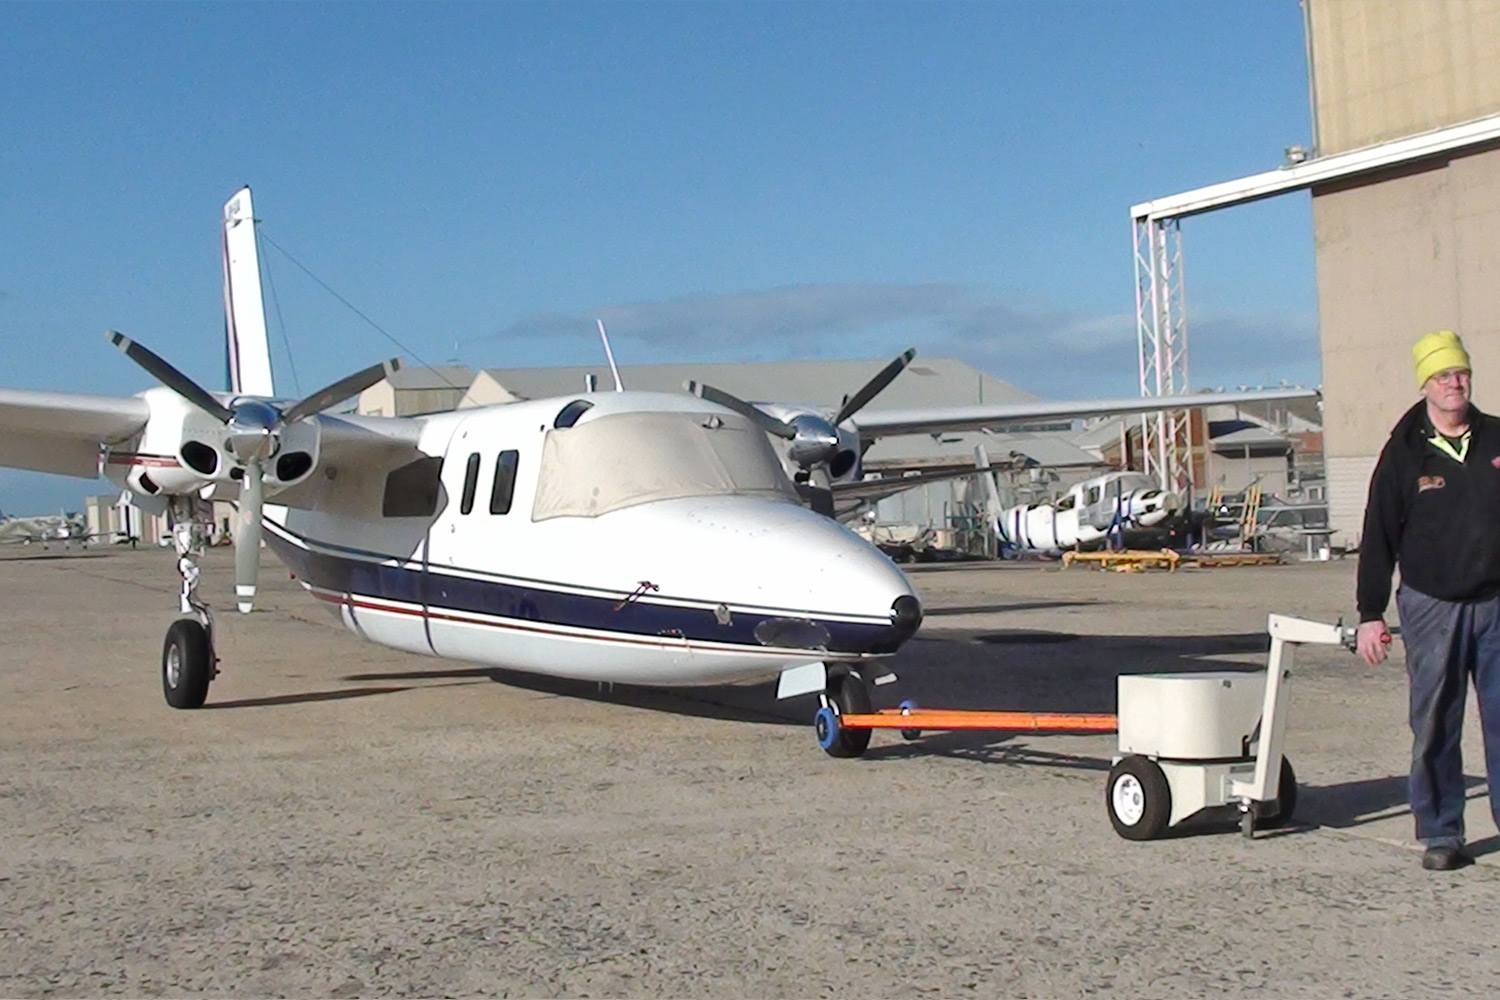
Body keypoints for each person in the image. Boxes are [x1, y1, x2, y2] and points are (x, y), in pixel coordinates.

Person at [1356, 329, 1500, 871]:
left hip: (1496, 604)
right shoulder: (1404, 455)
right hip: (1431, 606)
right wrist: (1371, 614)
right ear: (1426, 384)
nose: (1454, 383)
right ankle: (1442, 833)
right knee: (1436, 722)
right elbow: (1378, 537)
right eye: (1443, 375)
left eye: (1461, 373)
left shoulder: (1495, 439)